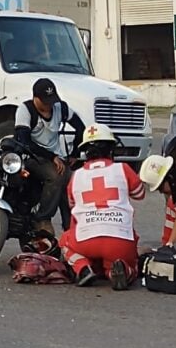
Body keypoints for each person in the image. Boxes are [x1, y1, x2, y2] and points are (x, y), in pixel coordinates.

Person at [60, 124, 146, 290]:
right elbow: (140, 194)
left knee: (65, 241)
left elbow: (72, 205)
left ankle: (82, 268)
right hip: (119, 240)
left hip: (85, 241)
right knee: (129, 260)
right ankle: (121, 270)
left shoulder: (76, 175)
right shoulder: (123, 168)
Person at [14, 78, 86, 236]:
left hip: (56, 158)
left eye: (51, 101)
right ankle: (43, 219)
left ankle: (71, 227)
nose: (49, 106)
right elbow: (24, 142)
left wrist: (74, 153)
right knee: (55, 176)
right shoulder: (25, 110)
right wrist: (51, 156)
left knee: (70, 182)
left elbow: (81, 127)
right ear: (36, 98)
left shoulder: (61, 108)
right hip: (33, 157)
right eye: (45, 101)